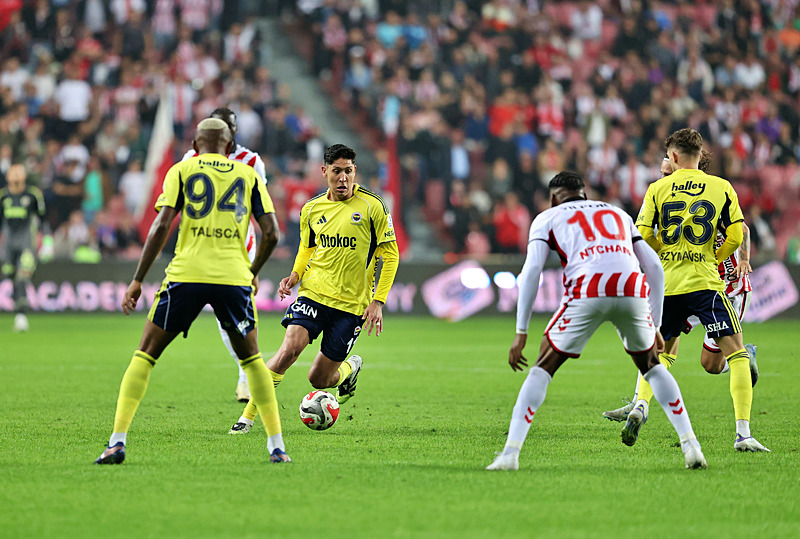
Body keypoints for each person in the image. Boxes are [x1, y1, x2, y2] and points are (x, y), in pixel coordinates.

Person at [95, 118, 290, 464]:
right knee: (253, 361)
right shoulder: (248, 175)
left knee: (145, 353)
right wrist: (251, 271)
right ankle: (276, 447)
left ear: (196, 144)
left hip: (187, 274)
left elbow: (161, 225)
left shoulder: (182, 170)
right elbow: (272, 233)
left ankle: (117, 442)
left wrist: (138, 278)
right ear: (230, 148)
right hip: (233, 277)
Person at [487, 171, 707, 471]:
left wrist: (521, 331)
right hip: (631, 287)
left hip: (588, 288)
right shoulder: (617, 212)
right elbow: (654, 266)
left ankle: (510, 454)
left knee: (542, 369)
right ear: (584, 194)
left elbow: (532, 271)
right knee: (652, 367)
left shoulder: (546, 218)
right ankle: (691, 446)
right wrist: (655, 325)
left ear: (554, 198)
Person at [229, 144, 399, 434]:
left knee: (319, 379)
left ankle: (348, 369)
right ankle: (246, 419)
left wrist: (378, 301)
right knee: (288, 351)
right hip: (314, 294)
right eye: (337, 171)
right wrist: (295, 274)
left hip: (351, 306)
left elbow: (391, 254)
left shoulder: (373, 206)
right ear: (325, 172)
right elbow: (307, 248)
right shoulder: (312, 208)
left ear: (354, 171)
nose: (343, 177)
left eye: (348, 171)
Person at [621, 128, 767, 452]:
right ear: (701, 155)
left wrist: (666, 253)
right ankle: (743, 434)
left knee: (659, 355)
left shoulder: (657, 189)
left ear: (672, 156)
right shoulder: (721, 187)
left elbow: (641, 237)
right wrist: (713, 256)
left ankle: (640, 406)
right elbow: (737, 235)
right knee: (737, 354)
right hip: (705, 282)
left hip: (670, 284)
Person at [181, 107, 267, 403]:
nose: (223, 134)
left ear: (234, 133)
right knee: (217, 316)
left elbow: (261, 213)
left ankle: (247, 375)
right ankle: (249, 371)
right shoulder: (190, 160)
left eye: (228, 128)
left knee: (237, 312)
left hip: (238, 249)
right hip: (201, 250)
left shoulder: (252, 161)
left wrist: (254, 267)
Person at [0, 164, 46, 332]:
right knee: (11, 276)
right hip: (8, 246)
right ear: (8, 177)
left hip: (27, 244)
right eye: (14, 173)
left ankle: (21, 316)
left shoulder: (33, 195)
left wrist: (47, 243)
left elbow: (42, 220)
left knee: (21, 277)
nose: (17, 176)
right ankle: (19, 310)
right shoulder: (3, 197)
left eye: (20, 172)